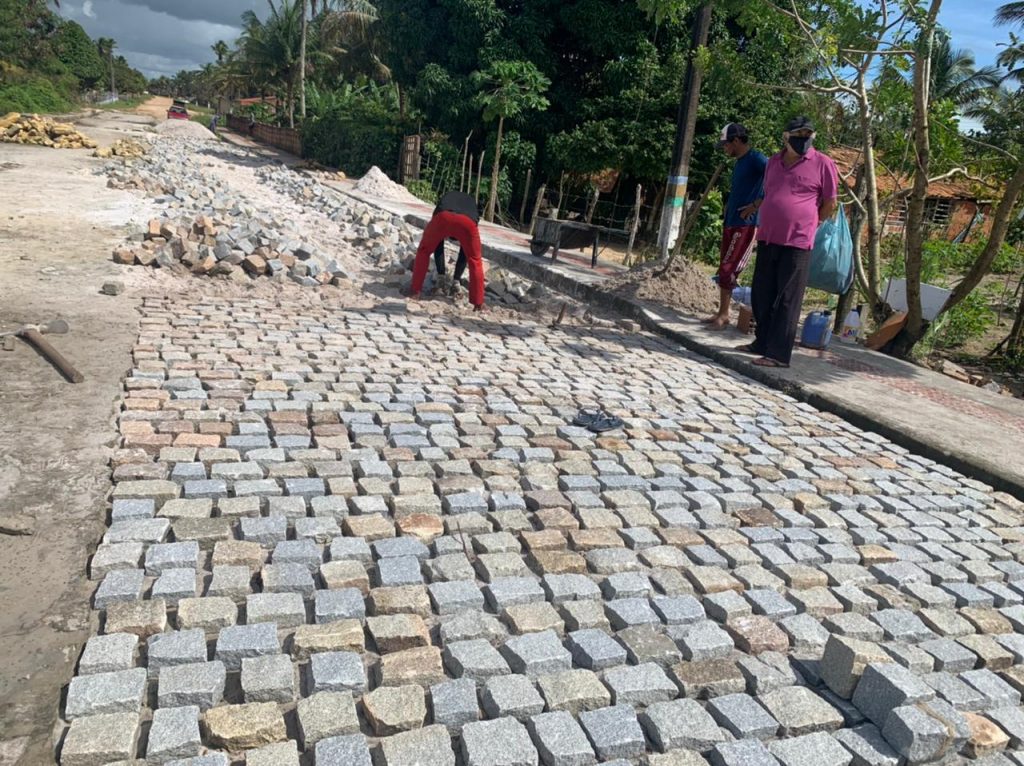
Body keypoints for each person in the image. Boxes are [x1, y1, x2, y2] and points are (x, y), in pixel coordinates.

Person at [738, 116, 838, 367]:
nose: (803, 139)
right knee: (762, 294)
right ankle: (762, 342)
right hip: (768, 236)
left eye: (807, 135)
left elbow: (830, 202)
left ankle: (778, 355)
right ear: (786, 137)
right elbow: (769, 193)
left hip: (798, 241)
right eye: (798, 134)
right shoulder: (773, 162)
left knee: (787, 299)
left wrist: (812, 223)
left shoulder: (823, 163)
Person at [703, 123, 766, 329]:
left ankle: (724, 315)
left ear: (737, 141)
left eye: (726, 144)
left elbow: (776, 179)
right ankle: (722, 312)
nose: (724, 148)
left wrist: (757, 204)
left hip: (745, 224)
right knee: (724, 266)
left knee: (728, 268)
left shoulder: (757, 159)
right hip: (731, 221)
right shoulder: (739, 162)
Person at [409, 190, 485, 310]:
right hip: (467, 223)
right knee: (475, 260)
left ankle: (415, 292)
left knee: (424, 251)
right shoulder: (472, 205)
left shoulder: (446, 198)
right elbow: (468, 242)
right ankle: (478, 303)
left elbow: (435, 226)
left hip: (443, 217)